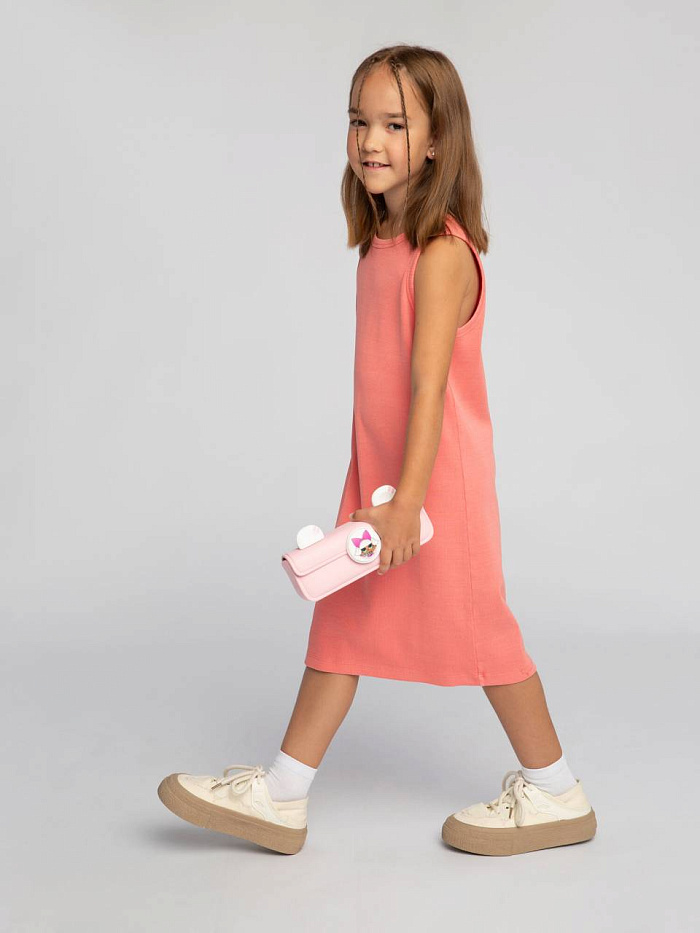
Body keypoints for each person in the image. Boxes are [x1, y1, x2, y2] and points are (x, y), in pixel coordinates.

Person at [158, 44, 597, 858]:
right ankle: (283, 792)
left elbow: (430, 388)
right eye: (359, 120)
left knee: (484, 632)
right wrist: (377, 486)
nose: (370, 140)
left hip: (433, 489)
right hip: (384, 480)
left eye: (395, 124)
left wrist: (407, 503)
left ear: (437, 142)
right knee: (342, 620)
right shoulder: (381, 244)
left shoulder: (440, 255)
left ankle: (557, 791)